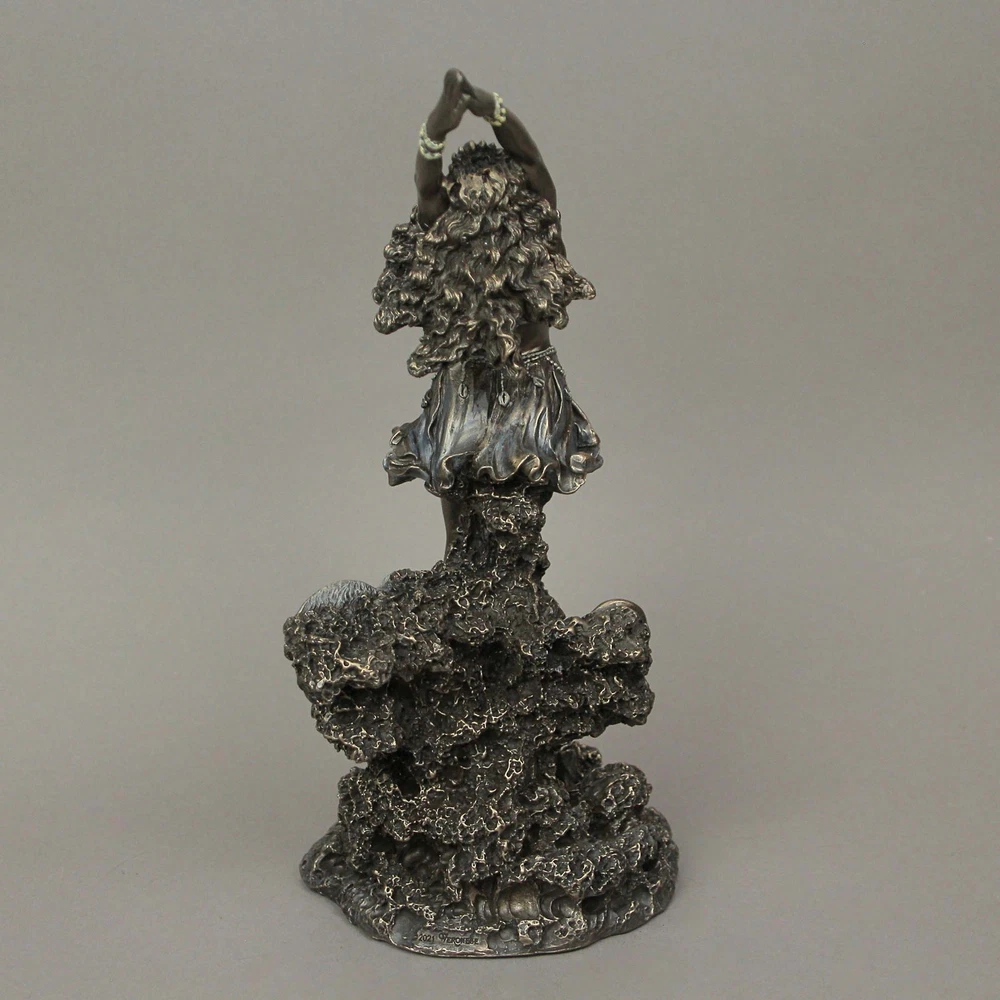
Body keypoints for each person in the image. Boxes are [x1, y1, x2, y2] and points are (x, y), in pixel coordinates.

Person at [373, 70, 602, 550]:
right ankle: (457, 562)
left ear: (514, 191)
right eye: (472, 186)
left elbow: (531, 159)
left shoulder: (537, 225)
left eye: (493, 183)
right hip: (465, 384)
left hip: (530, 381)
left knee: (526, 491)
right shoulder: (445, 230)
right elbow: (428, 187)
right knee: (454, 478)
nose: (483, 194)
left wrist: (491, 109)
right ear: (457, 195)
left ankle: (514, 570)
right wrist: (435, 130)